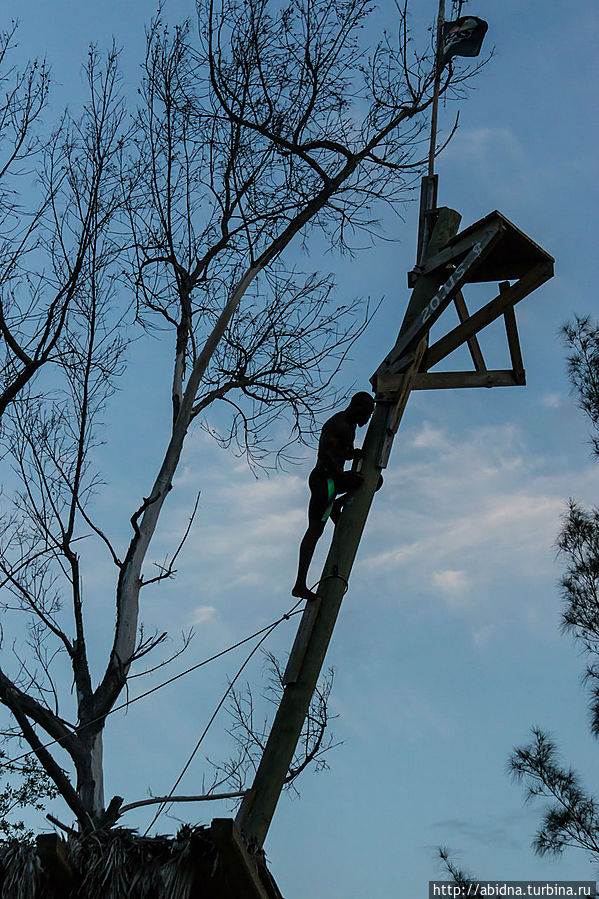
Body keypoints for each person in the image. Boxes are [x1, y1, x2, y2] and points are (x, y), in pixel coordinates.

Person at [292, 392, 375, 602]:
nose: (367, 419)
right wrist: (342, 478)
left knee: (373, 481)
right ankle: (300, 584)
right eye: (367, 414)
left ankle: (336, 505)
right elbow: (326, 456)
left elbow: (340, 452)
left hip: (334, 479)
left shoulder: (351, 426)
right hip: (325, 480)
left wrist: (352, 454)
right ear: (357, 408)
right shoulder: (338, 423)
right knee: (315, 529)